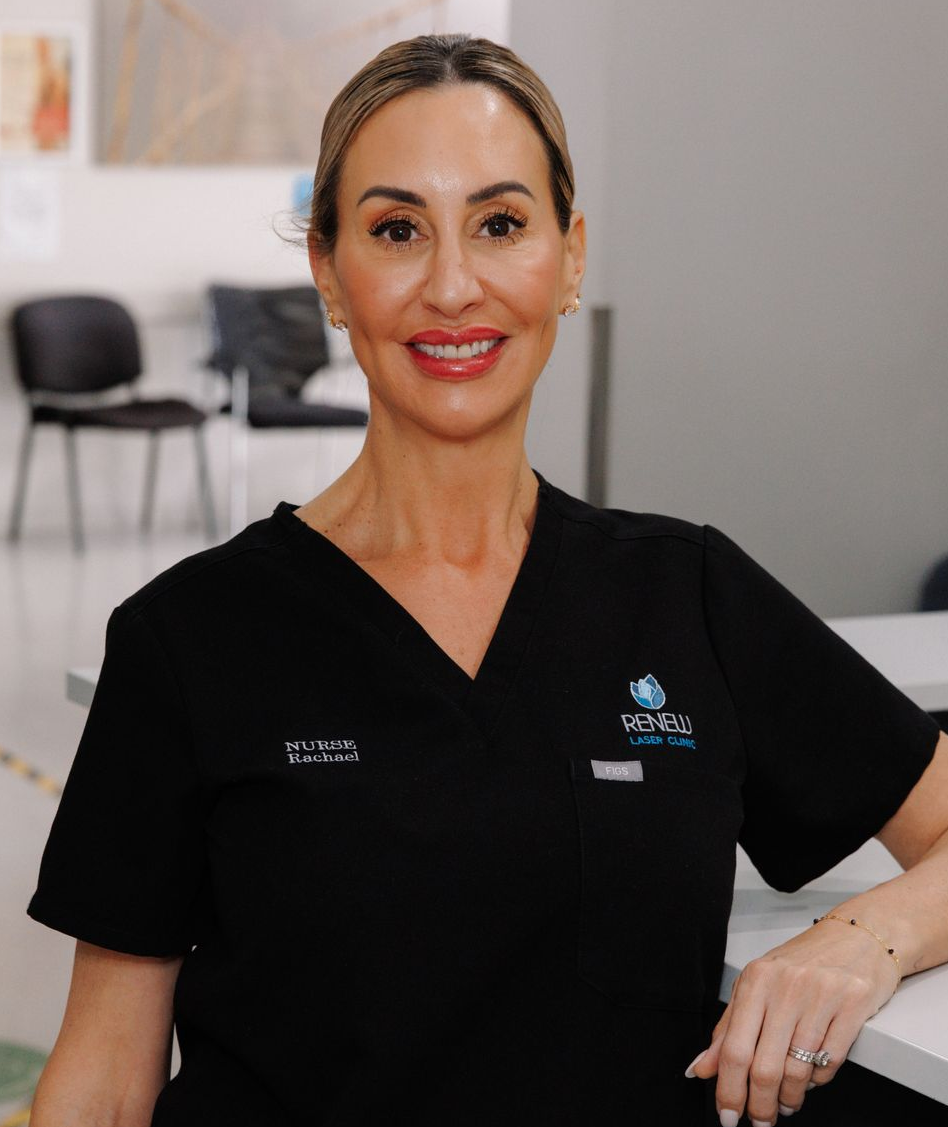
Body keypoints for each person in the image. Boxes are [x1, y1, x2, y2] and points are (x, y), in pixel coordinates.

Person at [26, 33, 948, 1127]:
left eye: (502, 224)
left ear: (569, 259)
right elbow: (101, 1083)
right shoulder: (188, 638)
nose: (453, 285)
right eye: (397, 229)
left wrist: (855, 940)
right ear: (327, 270)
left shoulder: (686, 593)